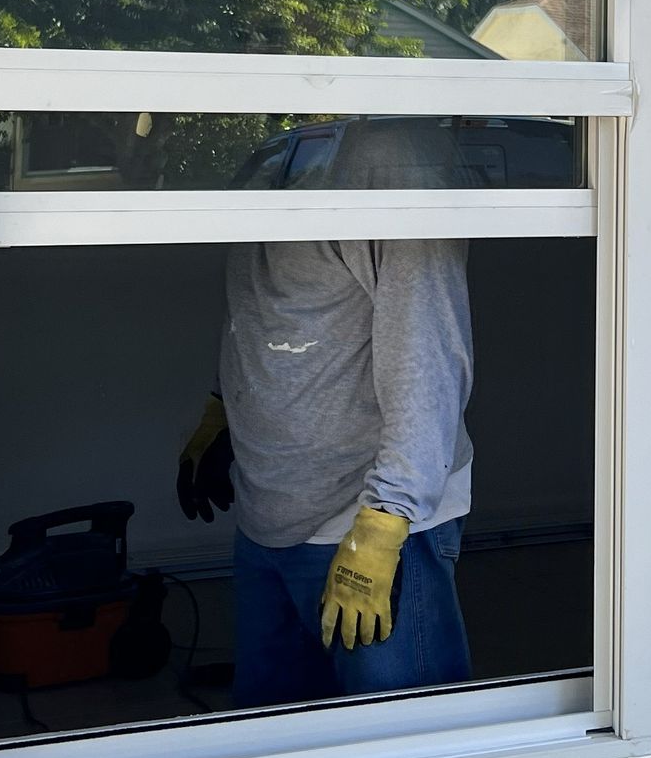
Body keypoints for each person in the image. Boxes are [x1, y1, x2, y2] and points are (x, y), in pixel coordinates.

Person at [176, 121, 476, 706]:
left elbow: (428, 352)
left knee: (400, 748)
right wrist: (222, 415)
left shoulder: (388, 157)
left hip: (368, 518)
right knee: (281, 745)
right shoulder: (285, 150)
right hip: (269, 508)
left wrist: (386, 521)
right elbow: (261, 311)